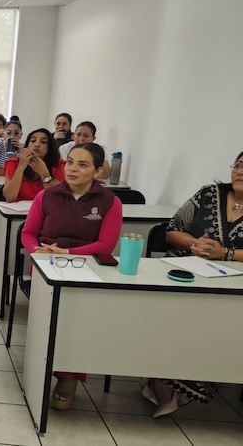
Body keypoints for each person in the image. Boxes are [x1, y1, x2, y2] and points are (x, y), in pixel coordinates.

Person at [140, 151, 243, 418]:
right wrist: (195, 244)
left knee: (219, 321)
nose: (240, 172)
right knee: (168, 312)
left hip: (231, 285)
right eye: (238, 165)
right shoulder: (209, 194)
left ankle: (172, 383)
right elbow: (172, 230)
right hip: (183, 271)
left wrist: (227, 254)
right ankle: (163, 383)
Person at [21, 143, 122, 411]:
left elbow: (106, 245)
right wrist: (38, 252)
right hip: (47, 267)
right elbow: (28, 233)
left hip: (87, 269)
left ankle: (68, 377)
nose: (73, 169)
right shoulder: (47, 196)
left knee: (77, 323)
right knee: (48, 322)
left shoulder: (110, 202)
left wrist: (67, 252)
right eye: (71, 162)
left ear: (98, 171)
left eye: (83, 164)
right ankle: (41, 368)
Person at [2, 128, 65, 202]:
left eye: (43, 142)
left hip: (47, 208)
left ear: (50, 147)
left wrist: (45, 174)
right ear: (27, 146)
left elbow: (57, 199)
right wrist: (21, 166)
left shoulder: (59, 165)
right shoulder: (14, 162)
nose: (37, 145)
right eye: (33, 141)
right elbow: (9, 197)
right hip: (20, 208)